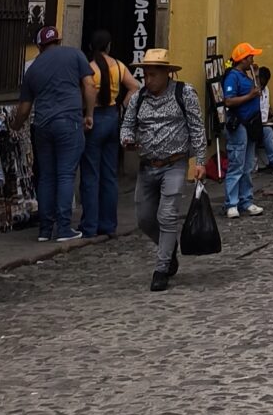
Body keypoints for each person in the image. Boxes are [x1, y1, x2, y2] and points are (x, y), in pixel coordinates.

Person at [120, 46, 206, 292]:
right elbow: (127, 125)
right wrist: (126, 139)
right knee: (145, 218)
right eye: (145, 74)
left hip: (174, 163)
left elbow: (197, 127)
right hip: (147, 165)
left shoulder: (184, 93)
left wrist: (200, 161)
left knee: (167, 215)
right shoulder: (139, 98)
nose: (148, 80)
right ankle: (169, 248)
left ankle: (161, 268)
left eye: (153, 75)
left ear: (166, 73)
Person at [11, 26, 95, 245]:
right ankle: (64, 228)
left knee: (46, 176)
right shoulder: (75, 55)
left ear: (39, 46)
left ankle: (45, 229)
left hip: (42, 125)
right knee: (66, 174)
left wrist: (15, 126)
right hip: (69, 121)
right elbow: (89, 84)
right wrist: (89, 114)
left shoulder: (33, 69)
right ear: (58, 40)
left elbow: (24, 108)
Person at [79, 29, 136, 239]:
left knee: (90, 174)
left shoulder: (89, 68)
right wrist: (122, 105)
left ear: (90, 47)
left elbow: (87, 91)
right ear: (109, 46)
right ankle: (109, 224)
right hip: (112, 117)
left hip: (95, 117)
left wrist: (88, 113)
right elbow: (134, 86)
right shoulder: (119, 66)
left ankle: (90, 225)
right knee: (109, 175)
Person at [221, 42, 265, 218]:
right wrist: (249, 96)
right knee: (237, 164)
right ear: (243, 59)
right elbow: (228, 101)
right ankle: (231, 203)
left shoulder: (247, 75)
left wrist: (256, 76)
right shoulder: (233, 77)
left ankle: (246, 200)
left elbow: (257, 90)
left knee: (247, 166)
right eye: (250, 57)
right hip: (239, 124)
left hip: (250, 124)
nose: (253, 60)